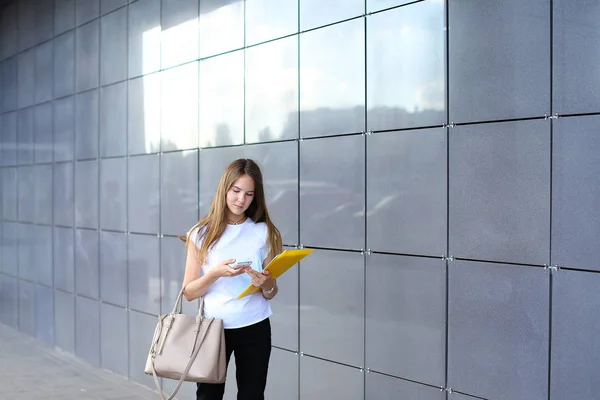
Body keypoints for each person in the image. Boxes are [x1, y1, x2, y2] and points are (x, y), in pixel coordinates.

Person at [181, 158, 283, 400]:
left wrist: (265, 283)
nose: (241, 200)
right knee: (208, 396)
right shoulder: (200, 233)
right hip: (213, 329)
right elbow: (189, 292)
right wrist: (215, 273)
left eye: (249, 194)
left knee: (252, 396)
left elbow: (272, 290)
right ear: (224, 189)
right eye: (236, 191)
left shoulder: (263, 232)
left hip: (255, 326)